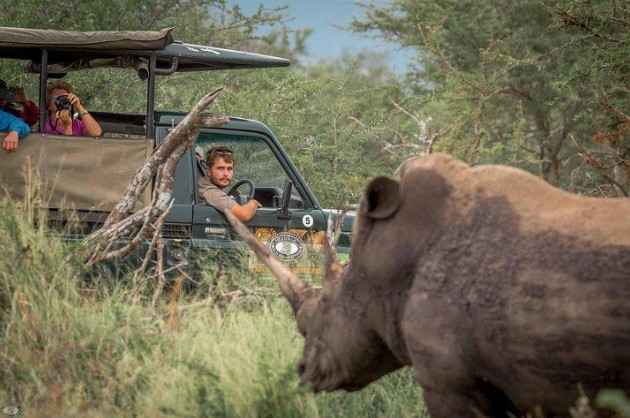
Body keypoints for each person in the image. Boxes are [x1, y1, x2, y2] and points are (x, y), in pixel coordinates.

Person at [198, 146, 261, 222]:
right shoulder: (210, 191)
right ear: (208, 171)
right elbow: (244, 215)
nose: (226, 174)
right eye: (220, 168)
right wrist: (253, 203)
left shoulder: (204, 184)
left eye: (229, 169)